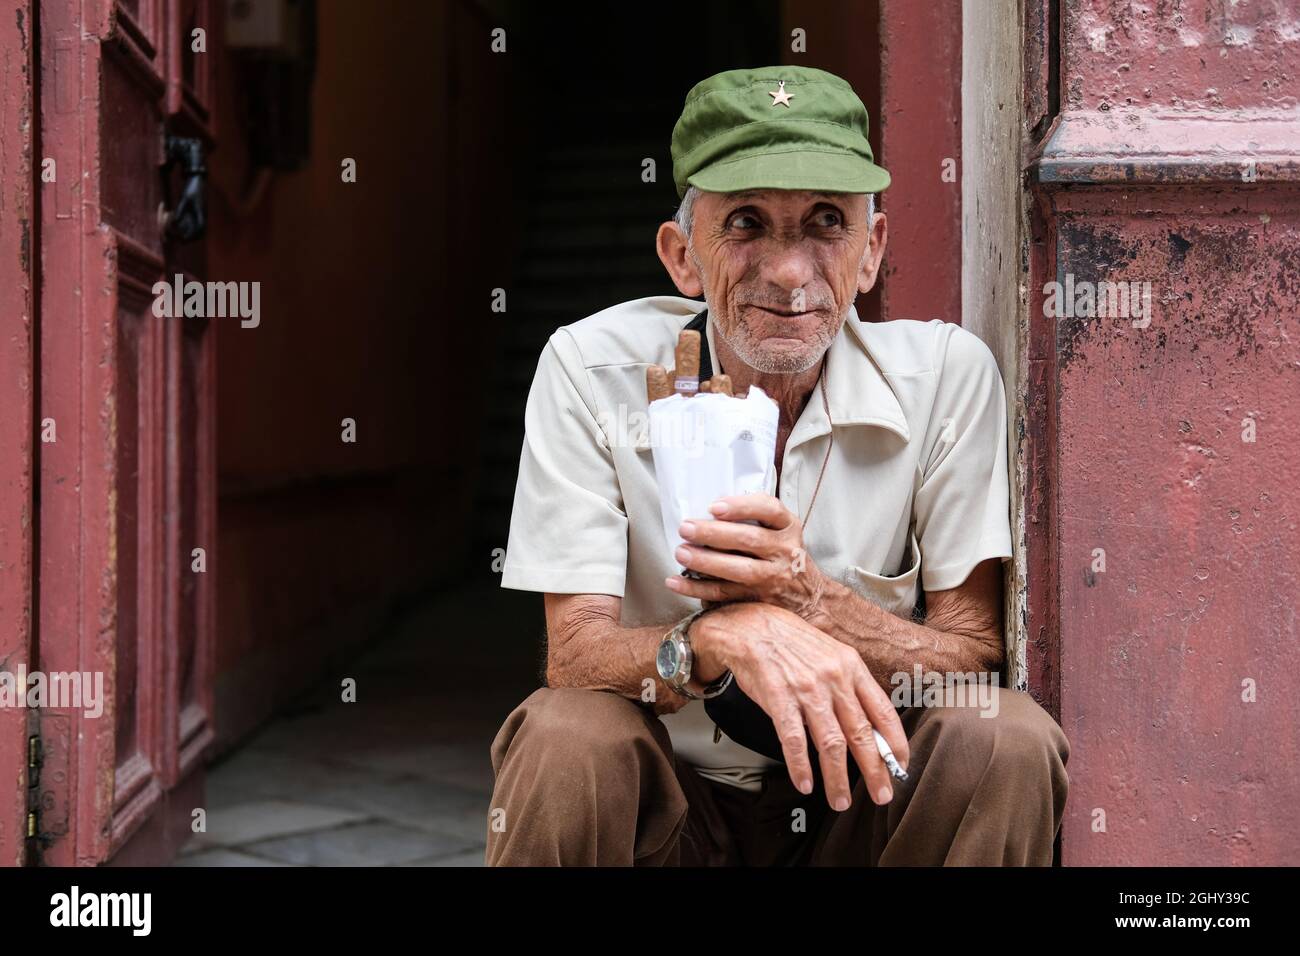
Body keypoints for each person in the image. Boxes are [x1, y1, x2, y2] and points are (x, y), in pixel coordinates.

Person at [487, 66, 1069, 866]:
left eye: (827, 221)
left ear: (873, 252)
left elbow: (971, 653)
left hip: (863, 799)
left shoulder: (946, 377)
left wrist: (808, 600)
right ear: (682, 256)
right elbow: (576, 655)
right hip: (674, 805)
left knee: (1004, 738)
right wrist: (720, 640)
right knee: (566, 735)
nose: (790, 272)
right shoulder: (591, 370)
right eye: (747, 224)